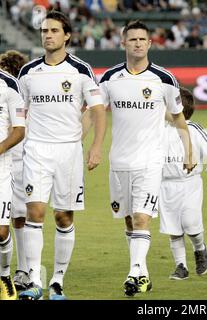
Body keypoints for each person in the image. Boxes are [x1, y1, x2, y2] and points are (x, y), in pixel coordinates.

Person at [99, 20, 194, 297]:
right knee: (130, 221)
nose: (138, 43)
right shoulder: (108, 78)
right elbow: (94, 112)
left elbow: (178, 118)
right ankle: (142, 274)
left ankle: (133, 273)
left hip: (151, 161)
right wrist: (82, 142)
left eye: (142, 39)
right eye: (132, 39)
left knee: (142, 219)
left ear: (150, 43)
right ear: (123, 43)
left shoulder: (164, 79)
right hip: (118, 162)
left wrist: (188, 150)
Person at [17, 10, 106, 300]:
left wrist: (95, 146)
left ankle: (56, 280)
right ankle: (32, 280)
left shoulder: (80, 70)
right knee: (35, 211)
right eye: (44, 31)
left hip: (69, 151)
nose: (48, 36)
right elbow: (20, 113)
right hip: (36, 150)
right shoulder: (28, 72)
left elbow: (97, 110)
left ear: (66, 35)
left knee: (64, 216)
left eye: (54, 31)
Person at [159, 87, 207, 280]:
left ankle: (200, 248)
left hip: (189, 183)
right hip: (165, 185)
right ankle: (181, 266)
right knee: (173, 229)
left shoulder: (194, 129)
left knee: (190, 224)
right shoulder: (160, 129)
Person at [0, 50, 30, 291]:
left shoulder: (15, 89)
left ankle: (22, 269)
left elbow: (21, 127)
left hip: (17, 159)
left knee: (18, 217)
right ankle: (22, 269)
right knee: (18, 218)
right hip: (19, 158)